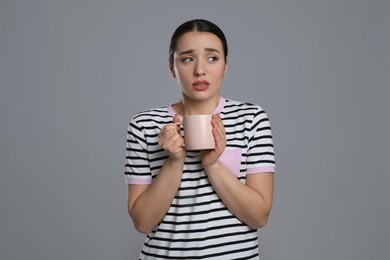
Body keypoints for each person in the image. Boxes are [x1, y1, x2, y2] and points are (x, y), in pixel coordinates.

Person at [125, 19, 275, 259]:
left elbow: (258, 216)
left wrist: (213, 164)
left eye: (212, 58)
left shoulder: (251, 119)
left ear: (225, 65)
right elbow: (142, 222)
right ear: (172, 67)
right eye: (187, 58)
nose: (200, 70)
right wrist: (174, 161)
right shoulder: (144, 125)